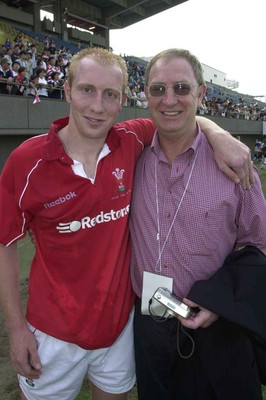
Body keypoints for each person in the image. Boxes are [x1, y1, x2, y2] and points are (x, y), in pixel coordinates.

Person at [0, 47, 253, 400]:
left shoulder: (130, 140)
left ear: (123, 101)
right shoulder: (26, 161)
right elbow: (5, 245)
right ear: (68, 89)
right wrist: (16, 330)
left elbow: (182, 117)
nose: (97, 106)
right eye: (87, 90)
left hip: (120, 329)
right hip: (52, 333)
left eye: (110, 95)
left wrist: (217, 134)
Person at [129, 48, 266, 400]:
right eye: (158, 89)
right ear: (145, 95)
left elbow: (259, 244)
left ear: (201, 94)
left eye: (181, 88)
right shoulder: (132, 156)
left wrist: (220, 301)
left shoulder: (234, 164)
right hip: (150, 325)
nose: (169, 99)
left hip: (218, 325)